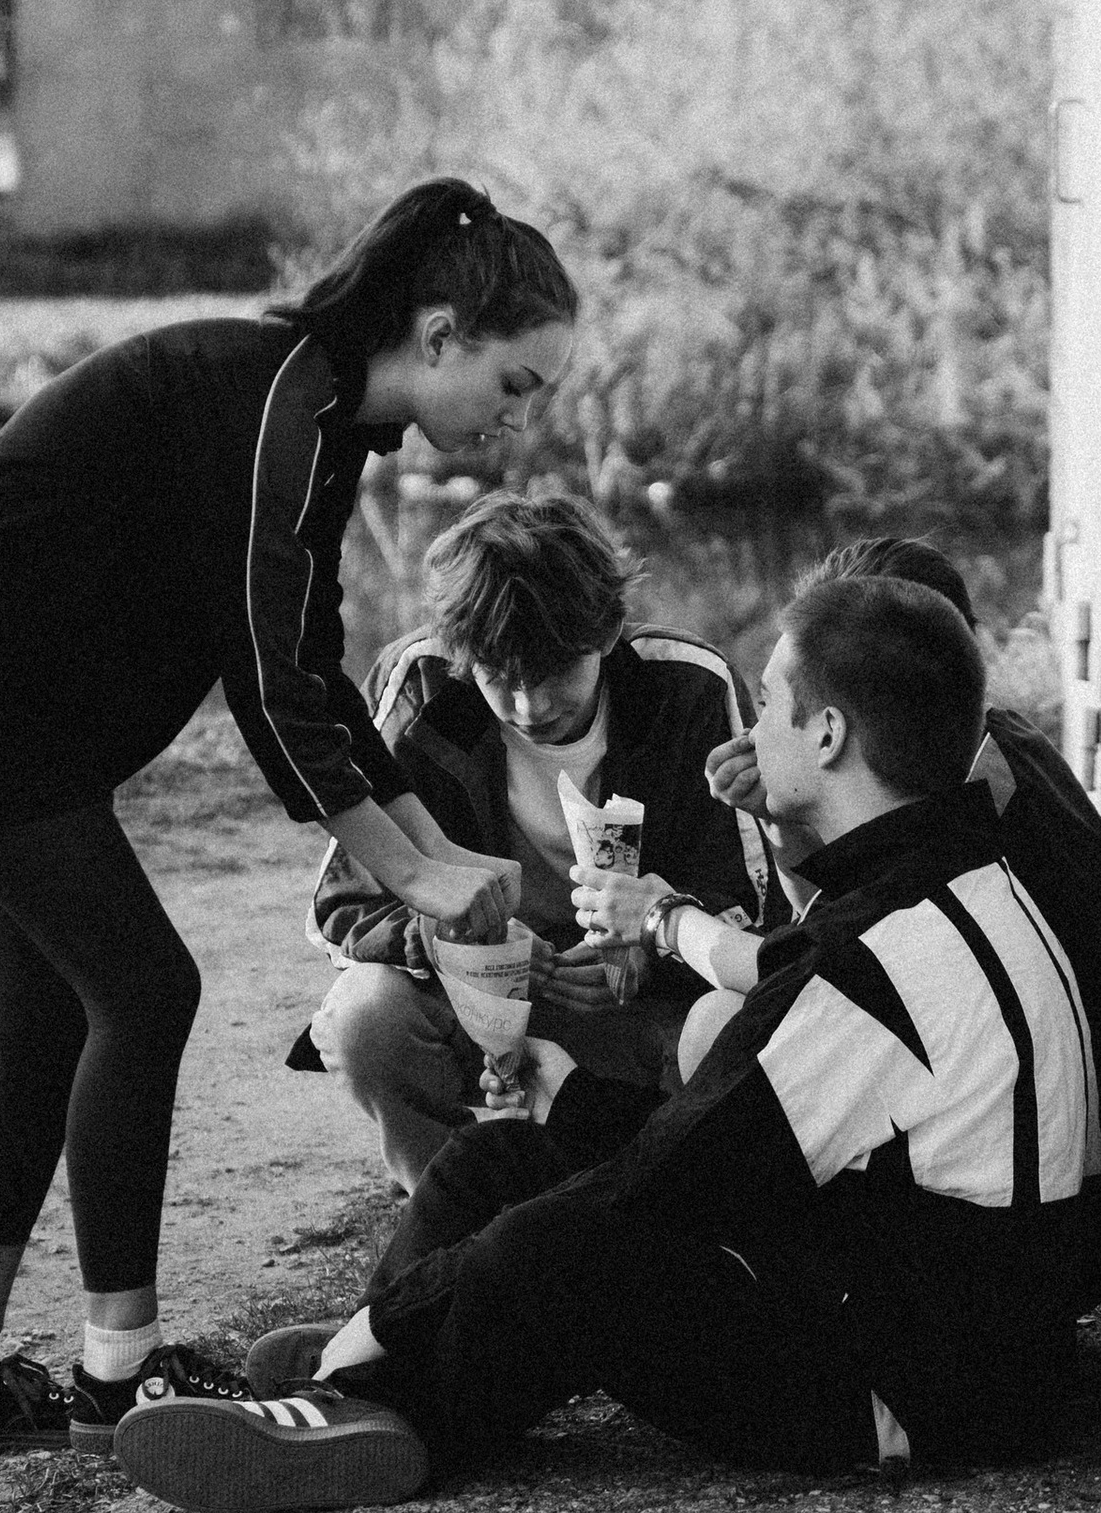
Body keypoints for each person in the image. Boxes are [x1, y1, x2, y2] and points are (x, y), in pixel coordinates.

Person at [110, 575, 1096, 1513]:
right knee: (510, 1155)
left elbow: (667, 1179)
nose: (750, 733)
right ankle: (380, 1379)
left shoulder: (870, 959)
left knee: (563, 1245)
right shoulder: (944, 875)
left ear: (828, 734)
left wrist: (404, 1314)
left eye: (768, 706)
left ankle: (376, 1379)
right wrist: (568, 1097)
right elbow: (733, 1138)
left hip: (910, 1391)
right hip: (882, 1273)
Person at [0, 180, 569, 1461]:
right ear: (441, 335)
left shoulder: (325, 417)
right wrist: (404, 872)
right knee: (144, 995)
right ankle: (118, 1376)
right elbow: (264, 677)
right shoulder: (283, 407)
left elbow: (308, 656)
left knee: (47, 1032)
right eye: (517, 385)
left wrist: (432, 846)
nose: (522, 419)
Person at [571, 531, 1101, 1308]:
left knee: (719, 1029)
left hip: (1073, 1211)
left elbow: (821, 974)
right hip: (1066, 1195)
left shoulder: (977, 800)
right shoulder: (985, 757)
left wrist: (666, 920)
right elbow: (832, 938)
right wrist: (787, 815)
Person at [297, 489, 777, 1182]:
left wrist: (655, 941)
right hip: (478, 1005)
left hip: (636, 1012)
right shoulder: (420, 686)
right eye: (499, 678)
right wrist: (452, 944)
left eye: (555, 675)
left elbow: (755, 911)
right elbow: (340, 909)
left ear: (608, 630)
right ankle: (447, 1201)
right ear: (464, 654)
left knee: (737, 1021)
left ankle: (659, 1185)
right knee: (364, 1013)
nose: (528, 706)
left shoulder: (691, 689)